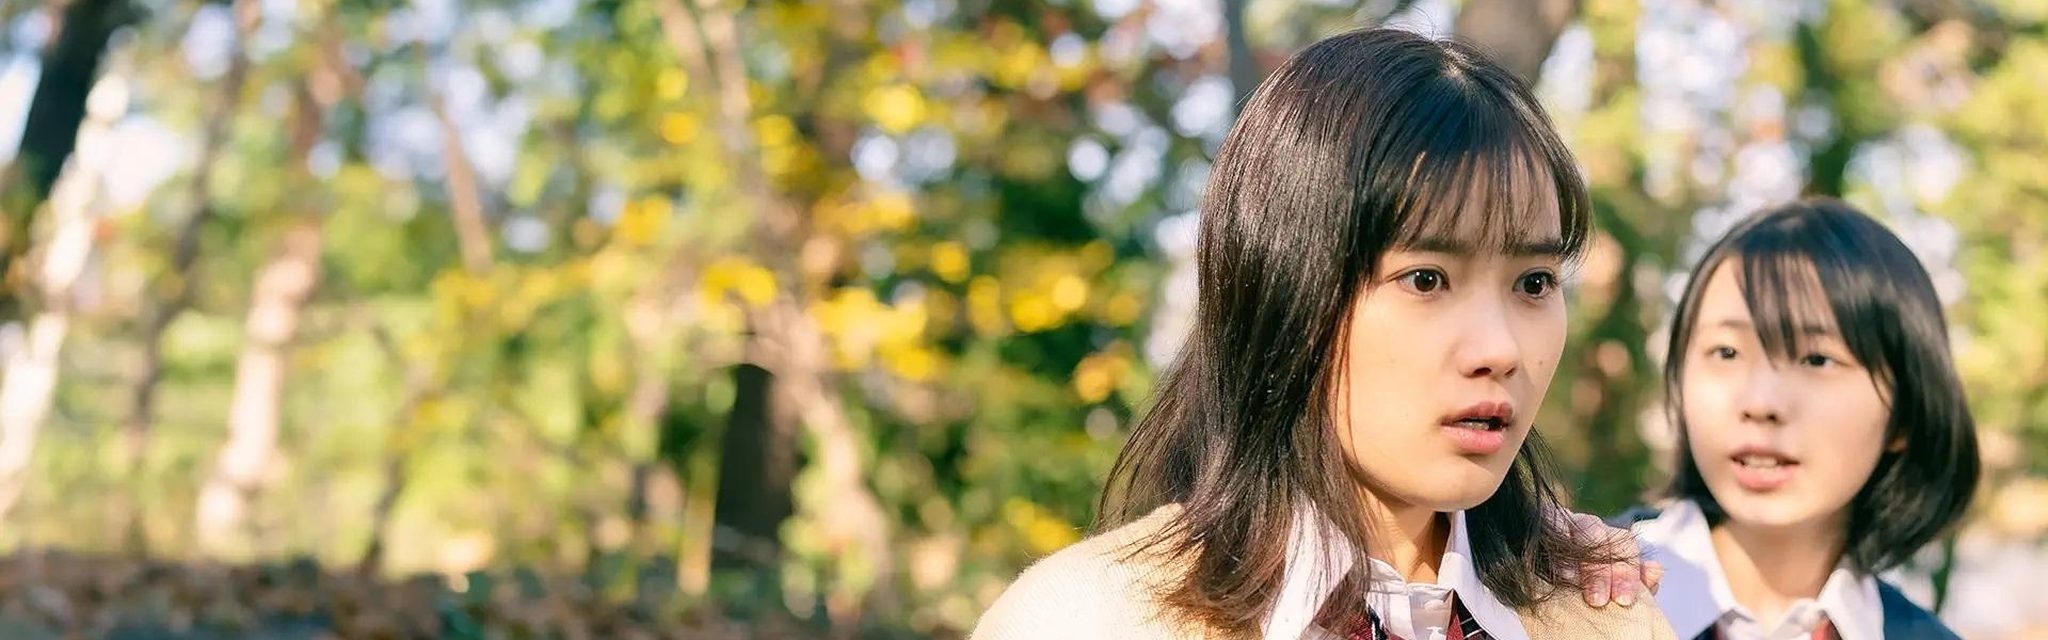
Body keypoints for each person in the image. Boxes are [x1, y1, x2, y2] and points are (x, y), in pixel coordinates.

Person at [972, 28, 1672, 640]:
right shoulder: (1090, 619)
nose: (1501, 350)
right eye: (1426, 279)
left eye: (1535, 283)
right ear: (1286, 289)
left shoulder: (1602, 615)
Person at [1618, 198, 1977, 639]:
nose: (1760, 402)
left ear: (1903, 415)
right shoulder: (1571, 588)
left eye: (1816, 359)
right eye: (1726, 352)